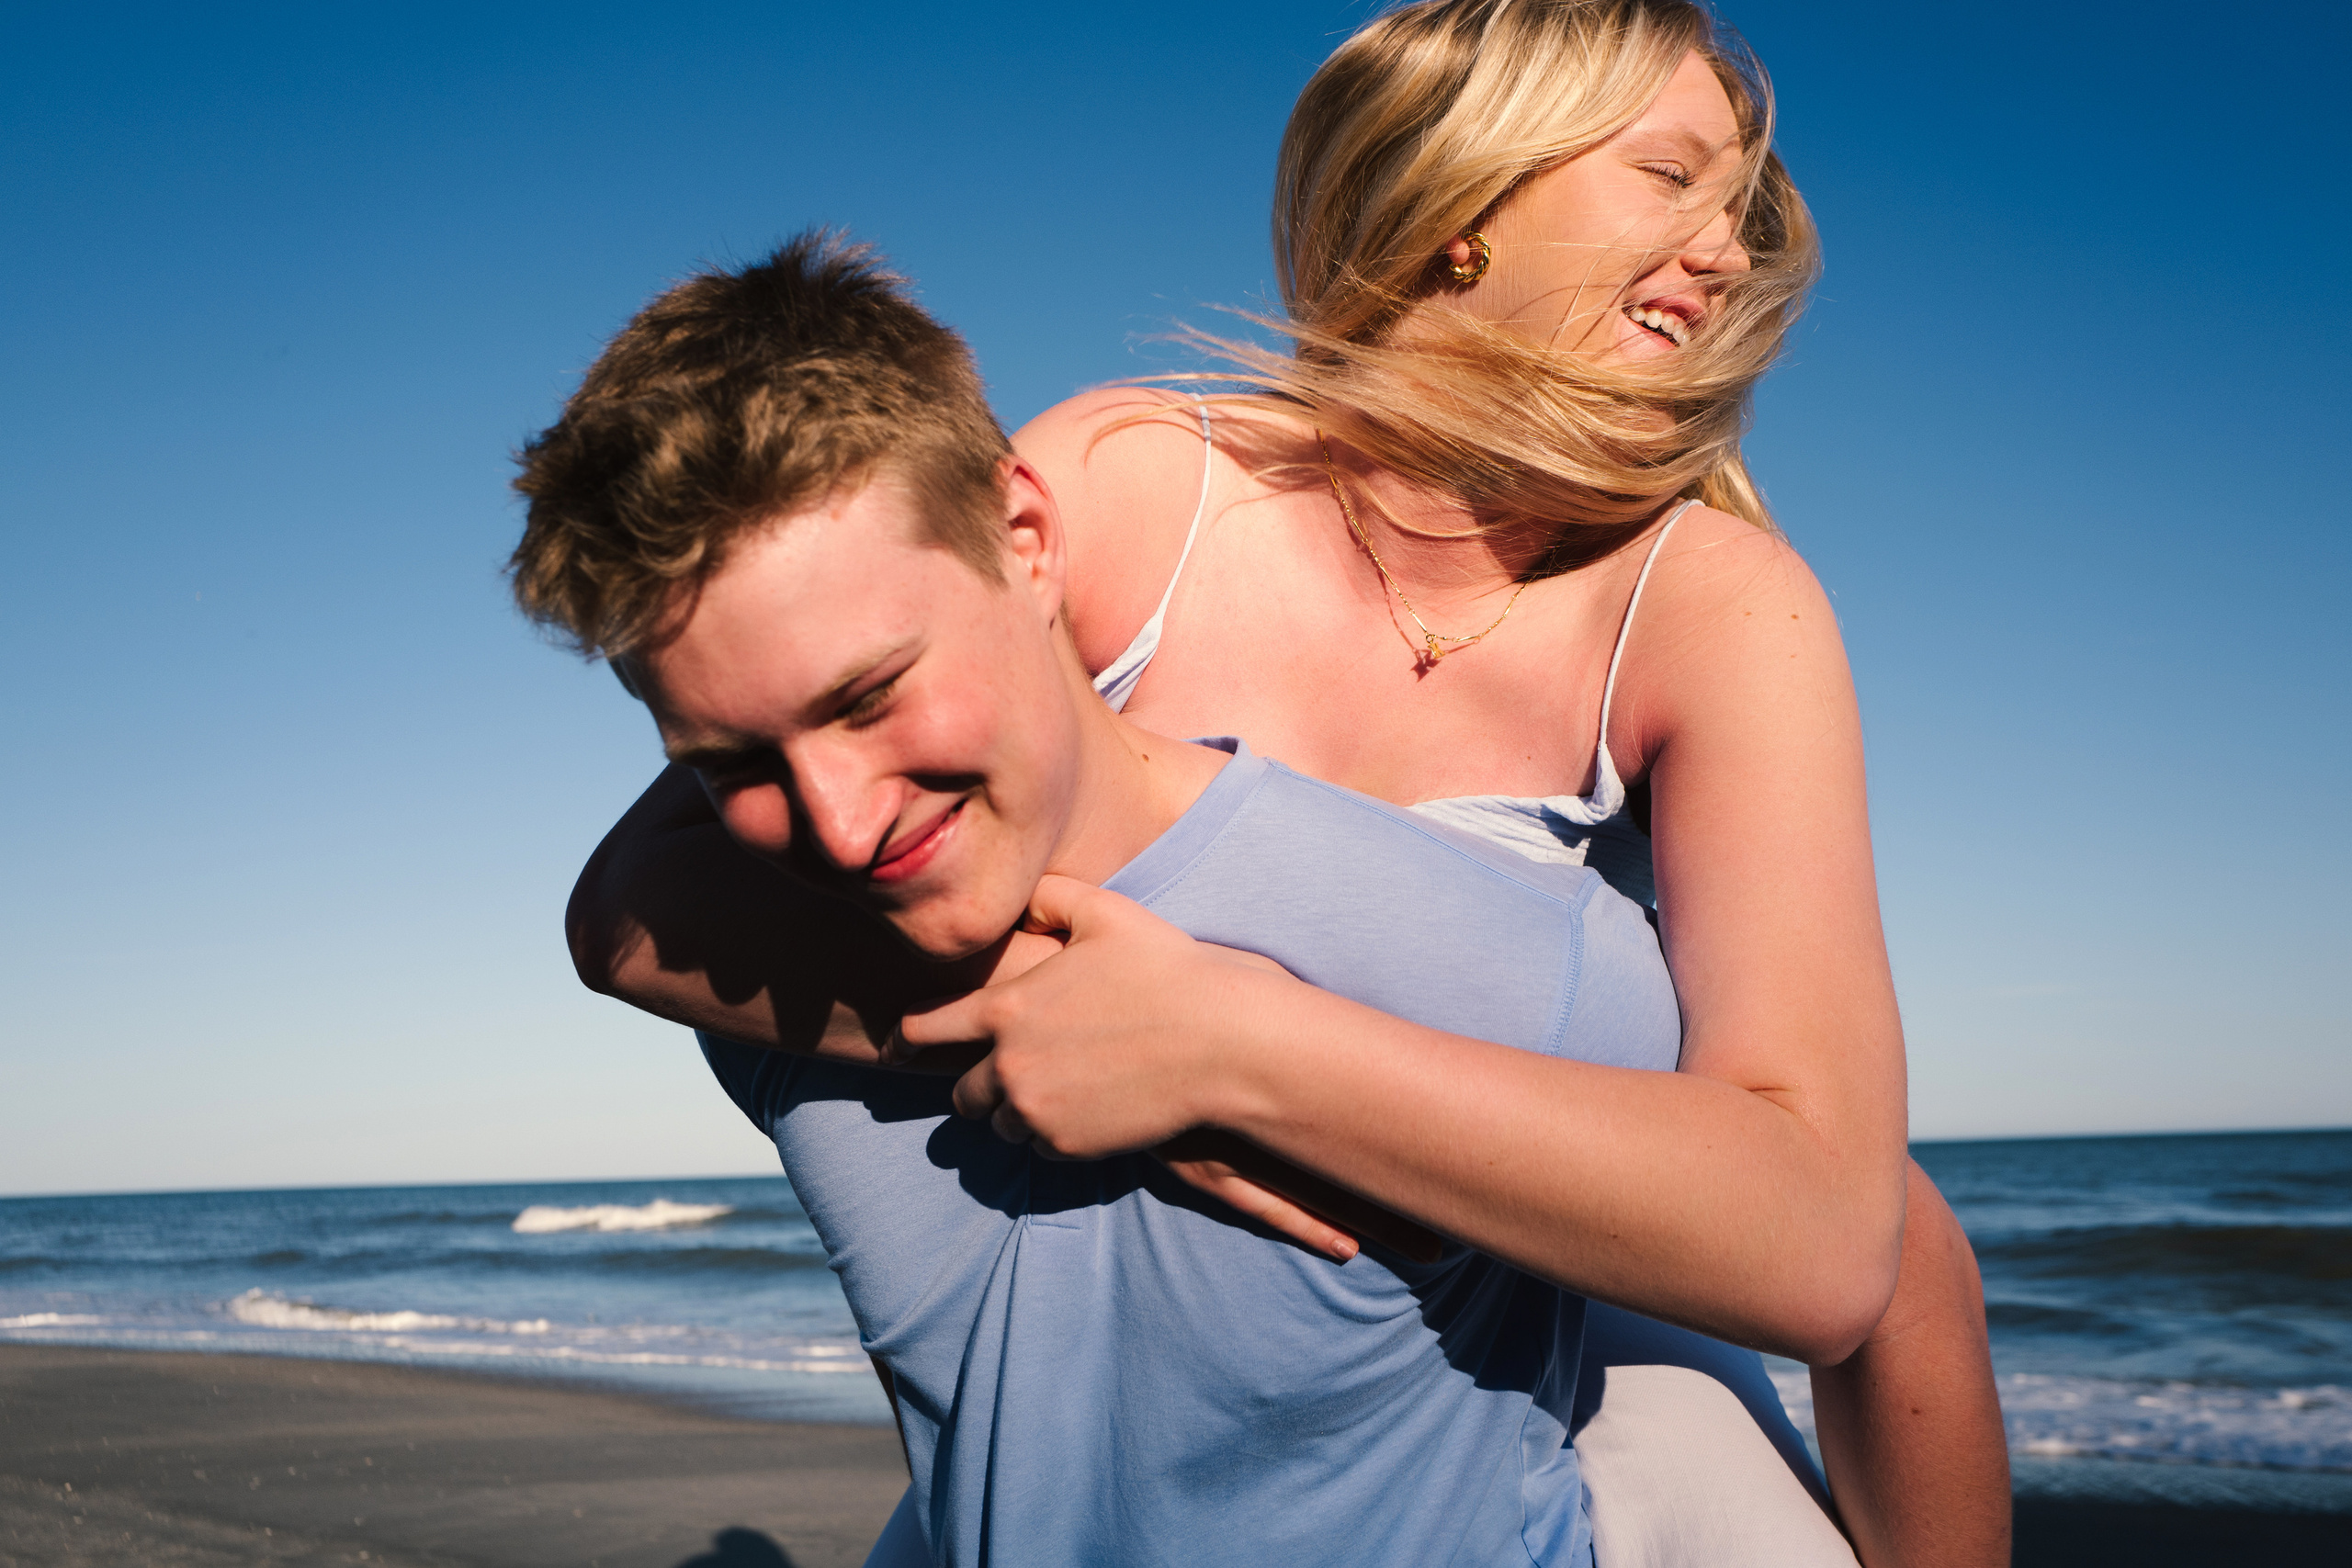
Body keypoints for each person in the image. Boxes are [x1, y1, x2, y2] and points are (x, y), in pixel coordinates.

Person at [560, 3, 2007, 1564]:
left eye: (1738, 210)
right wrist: (1076, 1044)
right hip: (1132, 1381)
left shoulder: (1715, 606)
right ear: (1467, 198)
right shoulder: (1148, 485)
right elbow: (645, 905)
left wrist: (1234, 1058)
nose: (1724, 251)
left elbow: (1839, 1228)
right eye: (1673, 179)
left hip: (1511, 1307)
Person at [514, 237, 1744, 1566]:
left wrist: (1246, 1055)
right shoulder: (767, 975)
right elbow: (619, 924)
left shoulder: (1481, 956)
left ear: (1030, 538)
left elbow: (1828, 1248)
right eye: (730, 768)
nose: (839, 825)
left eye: (869, 696)